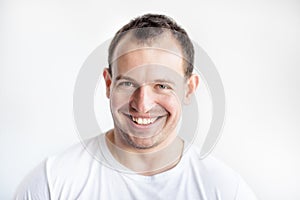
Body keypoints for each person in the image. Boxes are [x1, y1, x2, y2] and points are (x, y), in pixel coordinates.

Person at [15, 14, 257, 199]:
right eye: (128, 83)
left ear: (189, 89)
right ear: (109, 84)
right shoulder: (52, 182)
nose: (142, 104)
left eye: (162, 86)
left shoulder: (225, 190)